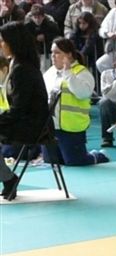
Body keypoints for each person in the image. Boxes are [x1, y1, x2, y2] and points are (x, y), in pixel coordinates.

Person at [0, 21, 50, 200]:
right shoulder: (20, 65)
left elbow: (19, 109)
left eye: (3, 41)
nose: (1, 45)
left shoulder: (23, 70)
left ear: (12, 42)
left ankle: (8, 179)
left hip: (31, 125)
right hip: (26, 120)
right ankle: (7, 178)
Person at [42, 37, 109, 166]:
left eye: (57, 52)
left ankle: (98, 155)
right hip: (51, 126)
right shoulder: (50, 72)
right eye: (52, 52)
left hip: (71, 127)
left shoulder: (82, 73)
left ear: (68, 55)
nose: (53, 56)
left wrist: (68, 73)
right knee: (51, 161)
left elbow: (82, 93)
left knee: (75, 162)